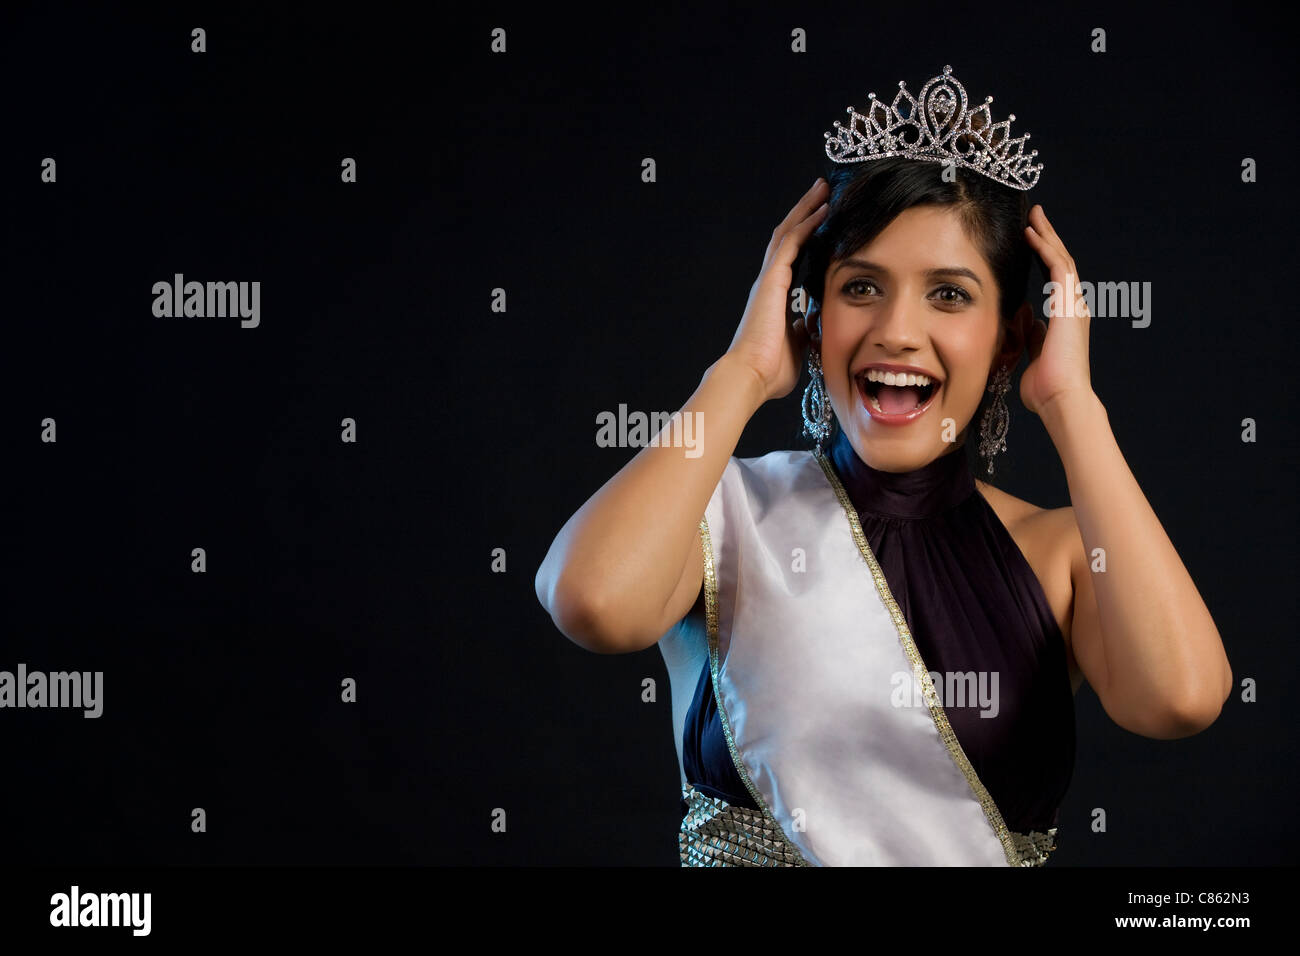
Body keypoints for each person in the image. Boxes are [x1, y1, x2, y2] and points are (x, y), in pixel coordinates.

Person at [535, 66, 1233, 866]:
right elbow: (591, 601)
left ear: (1010, 338)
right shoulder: (719, 511)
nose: (898, 331)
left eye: (949, 295)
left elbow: (1181, 698)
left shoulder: (1060, 554)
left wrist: (1073, 403)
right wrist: (742, 371)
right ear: (810, 315)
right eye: (861, 286)